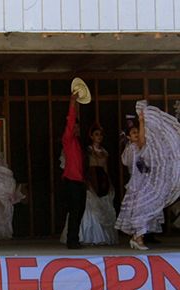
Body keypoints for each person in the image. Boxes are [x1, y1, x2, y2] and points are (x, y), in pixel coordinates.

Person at [115, 101, 180, 250]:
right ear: (129, 137)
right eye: (133, 133)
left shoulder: (134, 148)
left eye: (137, 132)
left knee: (144, 209)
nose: (137, 135)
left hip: (140, 183)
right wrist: (142, 121)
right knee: (143, 209)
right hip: (140, 184)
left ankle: (137, 238)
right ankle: (138, 238)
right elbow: (143, 141)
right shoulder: (134, 147)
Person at [61, 124, 118, 245]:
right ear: (91, 136)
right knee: (87, 209)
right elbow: (84, 166)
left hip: (101, 181)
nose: (99, 137)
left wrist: (108, 183)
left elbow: (105, 169)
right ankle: (85, 237)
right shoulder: (87, 150)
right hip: (90, 180)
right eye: (96, 134)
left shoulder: (104, 152)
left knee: (103, 207)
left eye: (101, 135)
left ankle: (102, 237)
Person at [61, 93, 86, 249]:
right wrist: (72, 102)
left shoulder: (78, 142)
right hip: (71, 181)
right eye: (75, 127)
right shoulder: (68, 140)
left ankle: (74, 238)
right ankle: (72, 240)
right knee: (75, 211)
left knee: (80, 211)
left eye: (78, 127)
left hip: (80, 181)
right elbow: (70, 121)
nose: (76, 128)